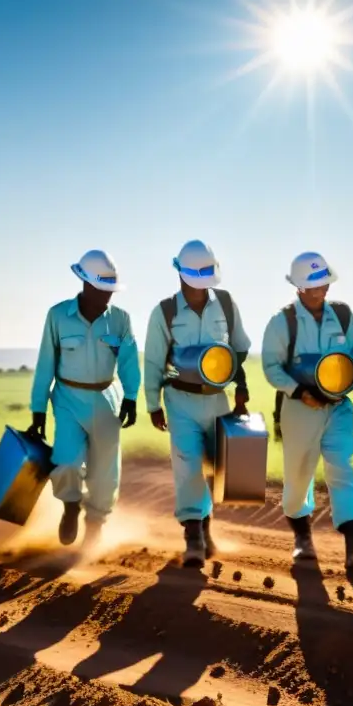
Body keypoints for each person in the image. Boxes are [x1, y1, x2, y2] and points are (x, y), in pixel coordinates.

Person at [261, 252, 353, 567]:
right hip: (299, 409)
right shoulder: (282, 322)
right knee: (298, 480)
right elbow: (271, 368)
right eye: (314, 285)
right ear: (299, 287)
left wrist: (347, 377)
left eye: (324, 283)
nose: (321, 290)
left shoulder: (343, 316)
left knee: (341, 468)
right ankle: (303, 539)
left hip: (338, 407)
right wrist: (300, 391)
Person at [144, 240, 252, 568]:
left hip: (217, 398)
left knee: (218, 468)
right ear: (180, 273)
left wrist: (241, 384)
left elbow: (240, 348)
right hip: (180, 399)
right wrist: (153, 404)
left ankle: (206, 529)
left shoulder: (227, 304)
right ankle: (193, 538)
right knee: (188, 464)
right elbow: (152, 362)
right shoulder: (164, 312)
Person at [27, 250, 140, 548]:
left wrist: (131, 397)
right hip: (67, 399)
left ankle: (95, 524)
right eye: (103, 289)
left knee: (105, 474)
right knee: (66, 462)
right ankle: (70, 506)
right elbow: (45, 364)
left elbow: (129, 361)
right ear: (86, 284)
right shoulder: (58, 316)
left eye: (111, 290)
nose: (108, 296)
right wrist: (38, 409)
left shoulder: (120, 320)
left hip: (107, 400)